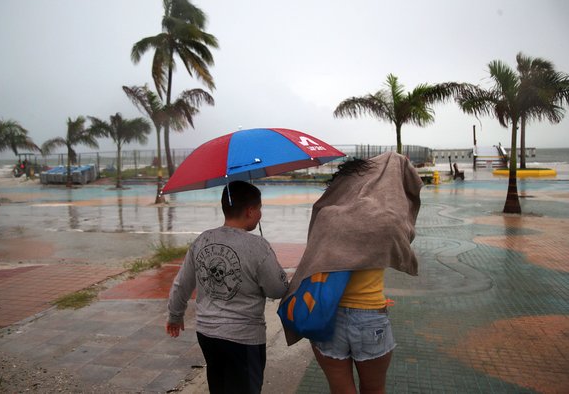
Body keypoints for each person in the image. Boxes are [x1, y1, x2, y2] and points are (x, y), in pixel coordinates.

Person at [280, 151, 423, 394]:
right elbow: (406, 229)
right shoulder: (386, 220)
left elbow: (314, 261)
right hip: (370, 316)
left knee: (340, 390)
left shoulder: (328, 216)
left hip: (327, 315)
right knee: (374, 390)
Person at [167, 180, 289, 394]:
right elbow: (277, 290)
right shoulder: (258, 246)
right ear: (250, 211)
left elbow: (181, 284)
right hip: (244, 338)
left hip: (207, 334)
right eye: (260, 209)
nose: (260, 214)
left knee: (219, 387)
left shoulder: (203, 239)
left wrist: (175, 316)